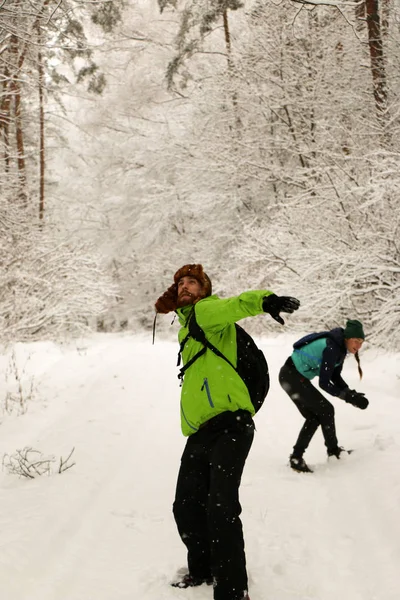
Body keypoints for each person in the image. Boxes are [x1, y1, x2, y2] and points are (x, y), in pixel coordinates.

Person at [155, 264, 300, 600]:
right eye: (180, 283)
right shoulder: (187, 326)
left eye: (192, 282)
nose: (185, 286)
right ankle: (202, 570)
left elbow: (236, 304)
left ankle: (233, 590)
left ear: (204, 290)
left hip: (231, 424)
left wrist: (266, 301)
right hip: (202, 430)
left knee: (220, 505)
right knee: (187, 505)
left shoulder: (207, 311)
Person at [278, 319, 369, 473]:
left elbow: (334, 376)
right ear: (347, 338)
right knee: (326, 410)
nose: (358, 346)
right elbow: (324, 383)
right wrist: (347, 397)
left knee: (315, 417)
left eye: (361, 342)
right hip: (291, 377)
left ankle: (297, 457)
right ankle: (333, 452)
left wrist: (349, 393)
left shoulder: (340, 349)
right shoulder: (332, 348)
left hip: (292, 377)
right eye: (356, 341)